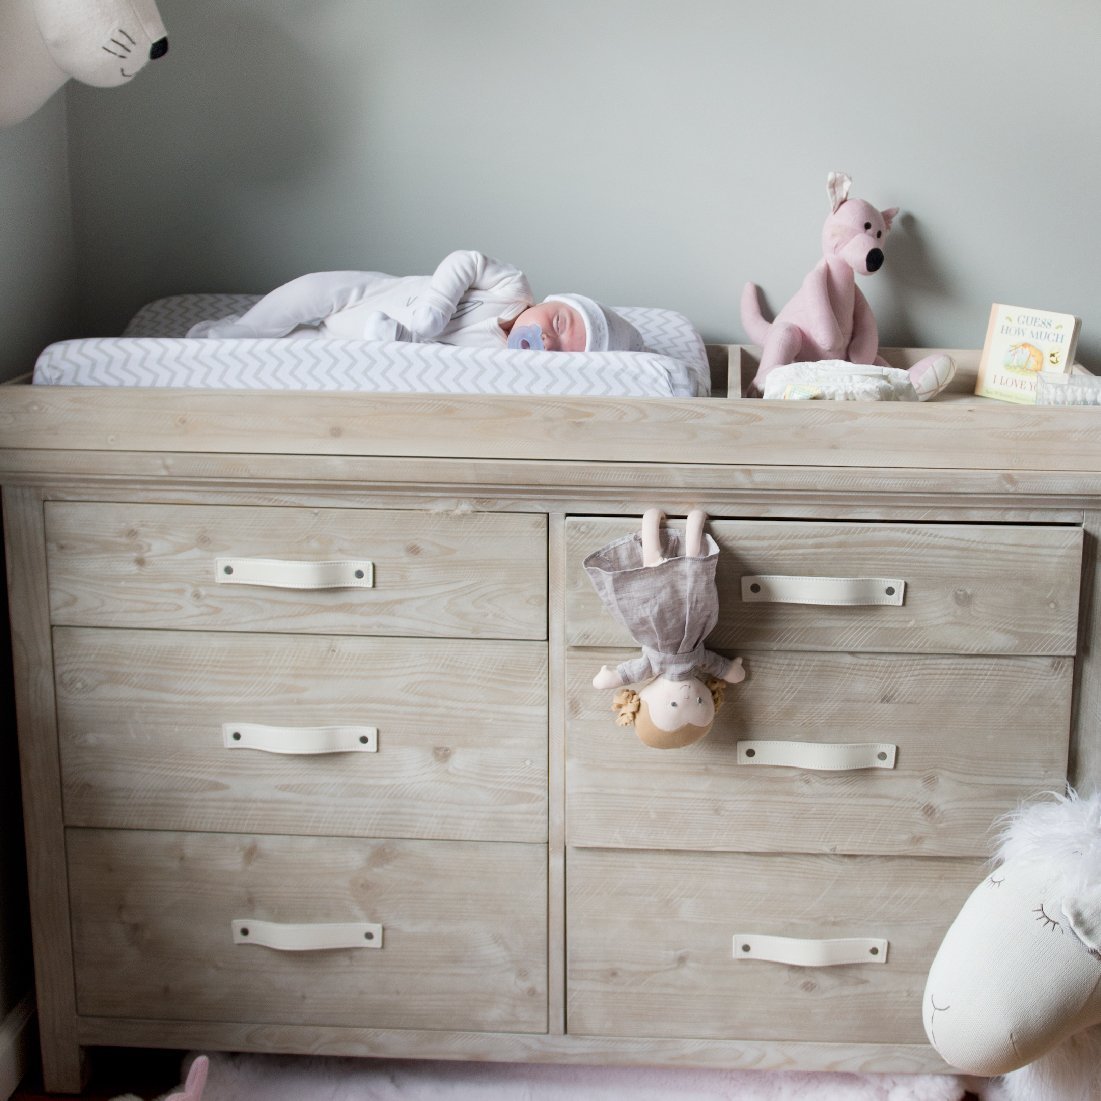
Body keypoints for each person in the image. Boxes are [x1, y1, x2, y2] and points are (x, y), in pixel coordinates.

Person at [187, 249, 644, 353]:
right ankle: (240, 331)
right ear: (552, 301)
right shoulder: (514, 290)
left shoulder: (501, 361)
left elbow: (436, 356)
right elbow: (465, 260)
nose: (548, 338)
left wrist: (403, 339)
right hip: (372, 293)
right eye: (560, 323)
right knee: (305, 293)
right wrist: (436, 308)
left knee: (308, 341)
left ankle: (259, 343)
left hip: (371, 332)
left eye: (561, 352)